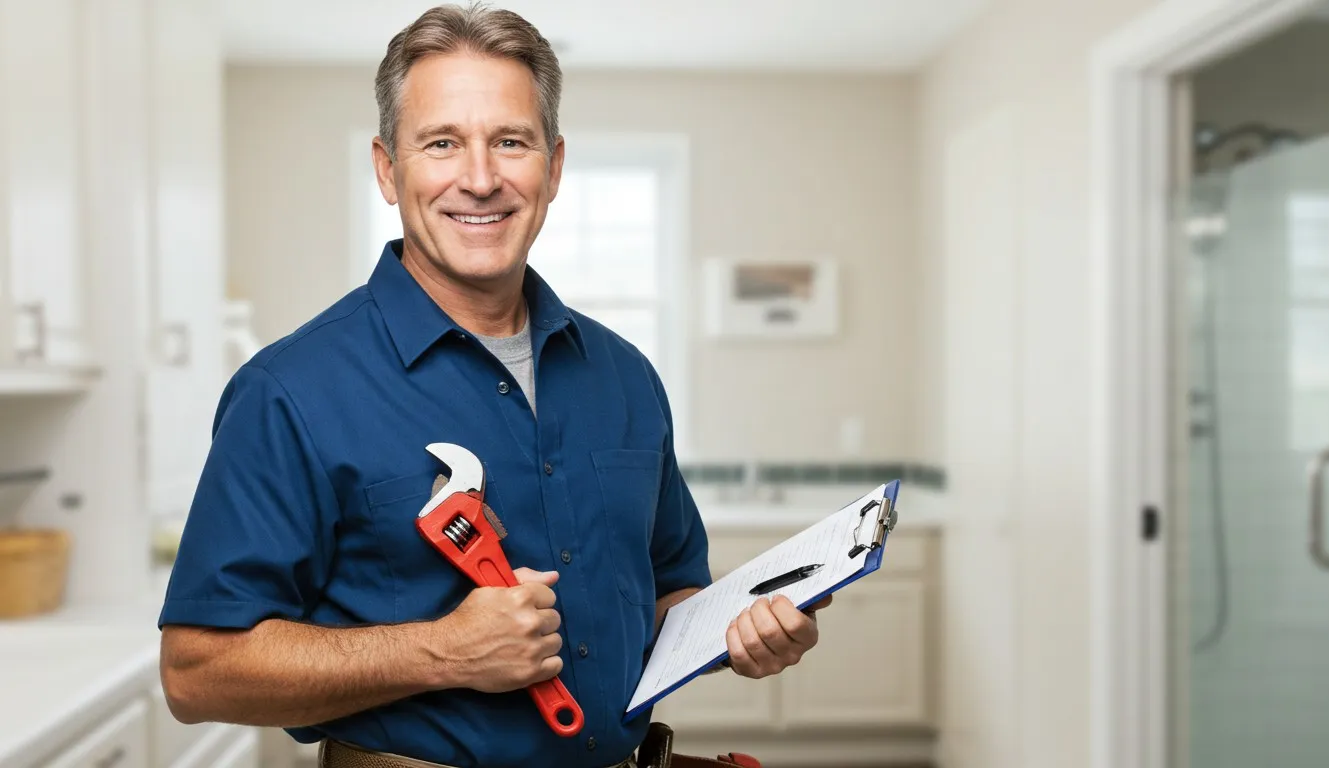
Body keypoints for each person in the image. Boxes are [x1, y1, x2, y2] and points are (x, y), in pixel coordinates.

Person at [156, 4, 829, 767]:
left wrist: (742, 627)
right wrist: (442, 652)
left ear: (554, 165)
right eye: (442, 143)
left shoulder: (625, 377)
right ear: (387, 168)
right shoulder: (289, 390)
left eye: (510, 142)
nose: (479, 180)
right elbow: (196, 672)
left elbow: (670, 590)